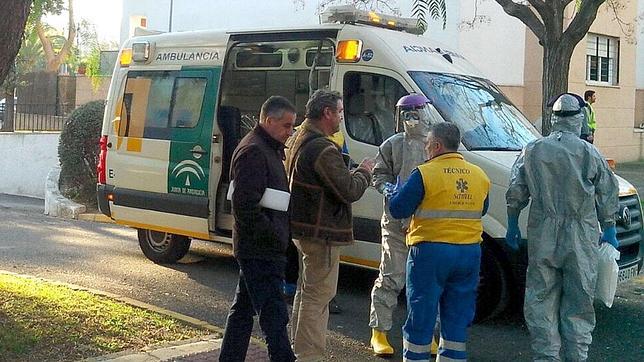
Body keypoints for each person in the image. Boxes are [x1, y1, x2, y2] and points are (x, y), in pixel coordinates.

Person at [505, 93, 619, 361]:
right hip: (581, 234)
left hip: (543, 231)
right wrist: (610, 227)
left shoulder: (532, 149)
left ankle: (546, 357)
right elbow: (607, 192)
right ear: (579, 119)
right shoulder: (589, 152)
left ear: (554, 119)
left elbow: (516, 190)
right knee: (578, 301)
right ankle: (576, 356)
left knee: (541, 298)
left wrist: (512, 223)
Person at [388, 122, 490, 362]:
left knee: (421, 315)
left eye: (427, 145)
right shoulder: (479, 175)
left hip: (430, 251)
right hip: (469, 253)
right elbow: (482, 209)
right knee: (456, 318)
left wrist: (395, 192)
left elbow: (398, 208)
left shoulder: (425, 173)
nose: (425, 149)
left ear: (436, 145)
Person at [285, 89, 374, 361]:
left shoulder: (300, 138)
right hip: (321, 233)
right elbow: (348, 190)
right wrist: (364, 172)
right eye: (339, 112)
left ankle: (299, 349)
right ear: (327, 113)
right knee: (318, 297)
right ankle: (309, 355)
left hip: (303, 229)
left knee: (306, 291)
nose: (341, 118)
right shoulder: (323, 148)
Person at [219, 96, 297, 362]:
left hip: (261, 246)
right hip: (260, 249)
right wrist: (274, 236)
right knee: (274, 315)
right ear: (268, 121)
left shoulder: (267, 148)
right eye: (286, 126)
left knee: (243, 310)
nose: (290, 132)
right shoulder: (254, 151)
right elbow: (244, 206)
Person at [369, 94, 441, 356]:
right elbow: (378, 175)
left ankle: (424, 334)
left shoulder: (435, 145)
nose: (414, 118)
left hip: (425, 223)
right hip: (396, 222)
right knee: (391, 277)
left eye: (418, 112)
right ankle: (379, 331)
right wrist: (391, 190)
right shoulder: (392, 145)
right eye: (409, 113)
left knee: (424, 282)